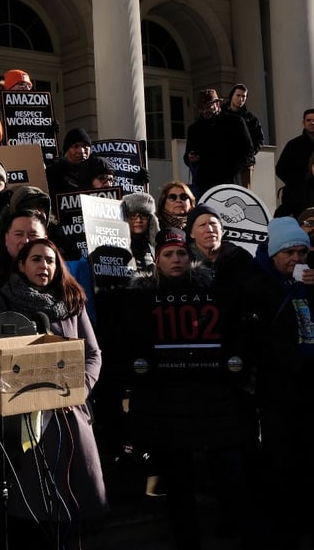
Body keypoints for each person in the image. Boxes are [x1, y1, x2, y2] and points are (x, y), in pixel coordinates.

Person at [123, 227, 260, 550]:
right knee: (178, 480)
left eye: (181, 253)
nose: (176, 259)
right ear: (157, 260)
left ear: (191, 256)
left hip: (213, 399)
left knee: (229, 474)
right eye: (168, 254)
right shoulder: (139, 298)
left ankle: (236, 531)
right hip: (167, 405)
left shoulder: (217, 291)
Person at [0, 238, 108, 548]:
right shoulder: (3, 302)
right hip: (28, 422)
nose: (44, 266)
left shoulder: (71, 301)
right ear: (22, 265)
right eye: (37, 259)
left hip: (72, 414)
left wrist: (78, 389)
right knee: (36, 508)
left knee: (79, 503)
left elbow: (93, 354)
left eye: (51, 260)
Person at [235, 217, 314, 549]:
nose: (296, 258)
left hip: (307, 390)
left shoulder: (305, 284)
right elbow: (257, 340)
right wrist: (296, 359)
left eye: (301, 252)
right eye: (289, 252)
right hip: (278, 391)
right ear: (274, 252)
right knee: (282, 462)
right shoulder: (256, 285)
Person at [183, 88, 254, 198]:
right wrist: (190, 158)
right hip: (204, 184)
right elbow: (187, 157)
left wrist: (234, 169)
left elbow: (248, 150)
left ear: (217, 104)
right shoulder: (194, 129)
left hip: (228, 181)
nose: (205, 111)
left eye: (208, 107)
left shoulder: (235, 122)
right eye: (201, 108)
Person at [186, 203, 252, 289]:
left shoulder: (240, 257)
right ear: (191, 233)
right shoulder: (183, 261)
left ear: (222, 230)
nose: (209, 229)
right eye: (202, 225)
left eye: (213, 223)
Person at [222, 83, 265, 187]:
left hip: (245, 164)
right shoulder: (221, 115)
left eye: (243, 96)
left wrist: (249, 154)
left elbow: (260, 139)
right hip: (224, 162)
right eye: (238, 95)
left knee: (244, 194)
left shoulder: (251, 118)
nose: (241, 99)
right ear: (232, 95)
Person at [274, 108, 314, 217]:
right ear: (303, 123)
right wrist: (296, 184)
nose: (312, 123)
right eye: (308, 120)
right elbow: (280, 169)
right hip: (297, 196)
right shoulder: (293, 145)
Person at [46, 127, 93, 200]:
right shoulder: (52, 173)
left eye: (85, 146)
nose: (81, 151)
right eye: (76, 146)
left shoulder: (95, 171)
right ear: (66, 151)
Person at [121, 192, 160, 274]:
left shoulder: (157, 250)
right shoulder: (116, 248)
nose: (138, 220)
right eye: (133, 215)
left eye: (144, 215)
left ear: (151, 220)